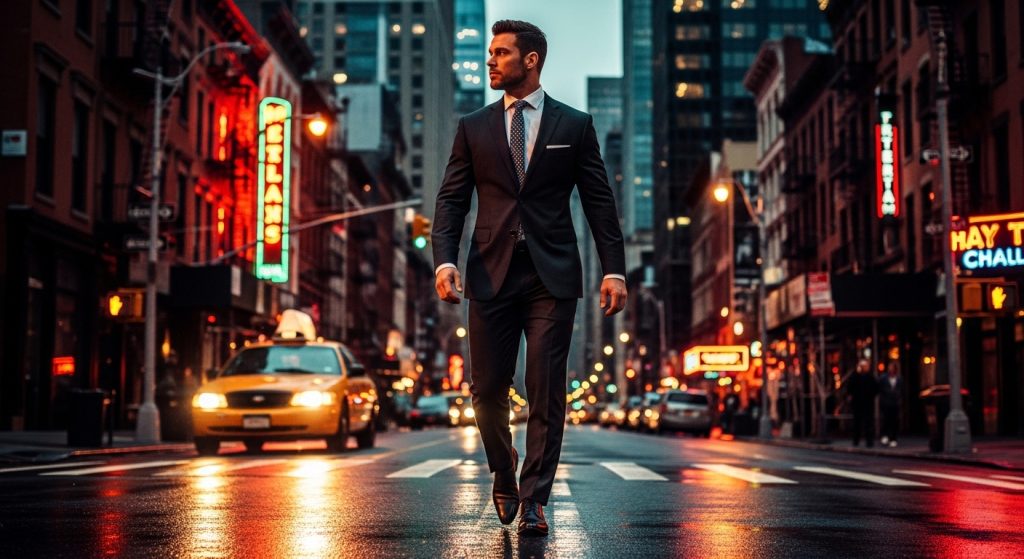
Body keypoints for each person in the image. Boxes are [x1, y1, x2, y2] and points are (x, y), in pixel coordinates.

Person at [432, 20, 627, 537]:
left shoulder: (573, 125)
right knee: (487, 387)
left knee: (545, 389)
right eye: (491, 52)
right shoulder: (473, 126)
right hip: (489, 274)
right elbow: (452, 198)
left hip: (552, 275)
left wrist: (614, 269)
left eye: (501, 53)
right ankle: (503, 469)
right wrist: (445, 260)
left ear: (531, 60)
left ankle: (536, 498)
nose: (491, 61)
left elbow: (599, 201)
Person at [847, 359, 878, 447]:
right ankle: (856, 440)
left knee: (868, 423)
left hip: (868, 403)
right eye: (863, 366)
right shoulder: (855, 376)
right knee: (857, 423)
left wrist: (870, 396)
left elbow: (876, 389)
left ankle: (869, 442)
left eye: (866, 366)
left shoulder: (870, 377)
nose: (865, 368)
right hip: (857, 404)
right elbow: (850, 389)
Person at [878, 360, 903, 447]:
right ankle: (885, 435)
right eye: (889, 367)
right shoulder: (883, 378)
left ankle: (893, 438)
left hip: (895, 403)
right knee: (886, 420)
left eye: (892, 367)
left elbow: (901, 390)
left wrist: (899, 399)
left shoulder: (899, 379)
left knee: (894, 421)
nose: (890, 369)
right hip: (886, 403)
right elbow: (879, 389)